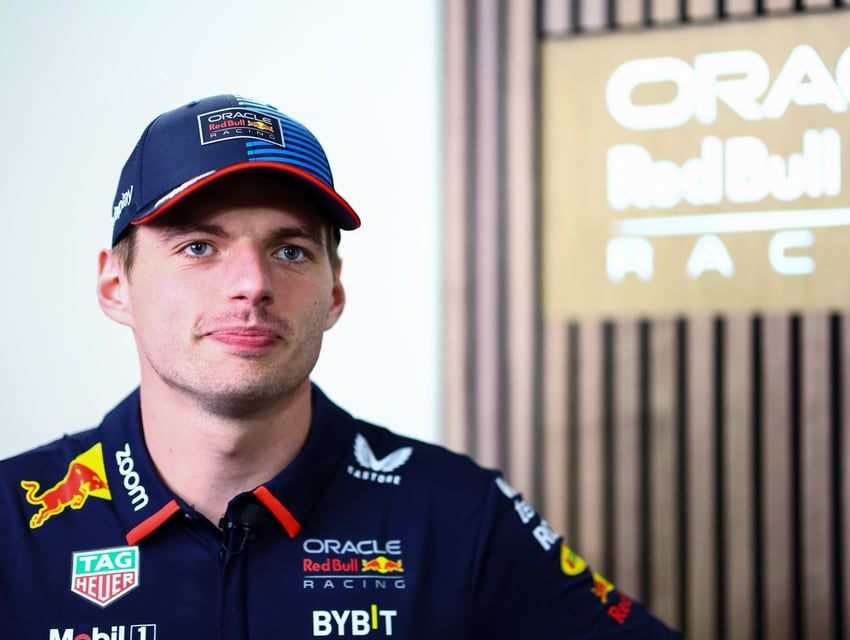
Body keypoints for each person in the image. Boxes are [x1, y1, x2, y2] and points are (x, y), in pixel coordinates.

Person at [0, 95, 681, 638]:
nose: (251, 284)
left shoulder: (456, 512)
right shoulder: (12, 520)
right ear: (115, 286)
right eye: (199, 247)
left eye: (291, 250)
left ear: (334, 293)